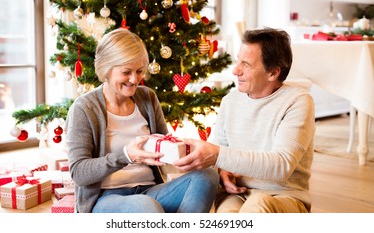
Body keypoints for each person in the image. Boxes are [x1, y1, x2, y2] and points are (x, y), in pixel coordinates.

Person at [65, 28, 219, 213]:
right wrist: (126, 156)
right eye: (126, 72)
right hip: (106, 198)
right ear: (106, 69)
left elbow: (164, 145)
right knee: (145, 207)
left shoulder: (147, 98)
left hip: (150, 190)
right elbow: (79, 173)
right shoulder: (84, 108)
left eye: (139, 71)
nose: (134, 79)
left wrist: (185, 151)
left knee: (206, 176)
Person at [174, 27, 315, 213]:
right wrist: (222, 172)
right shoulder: (230, 101)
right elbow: (221, 154)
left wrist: (217, 155)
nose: (235, 70)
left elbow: (281, 166)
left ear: (273, 73)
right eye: (237, 61)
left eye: (246, 64)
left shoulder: (298, 101)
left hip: (284, 195)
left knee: (258, 205)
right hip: (237, 194)